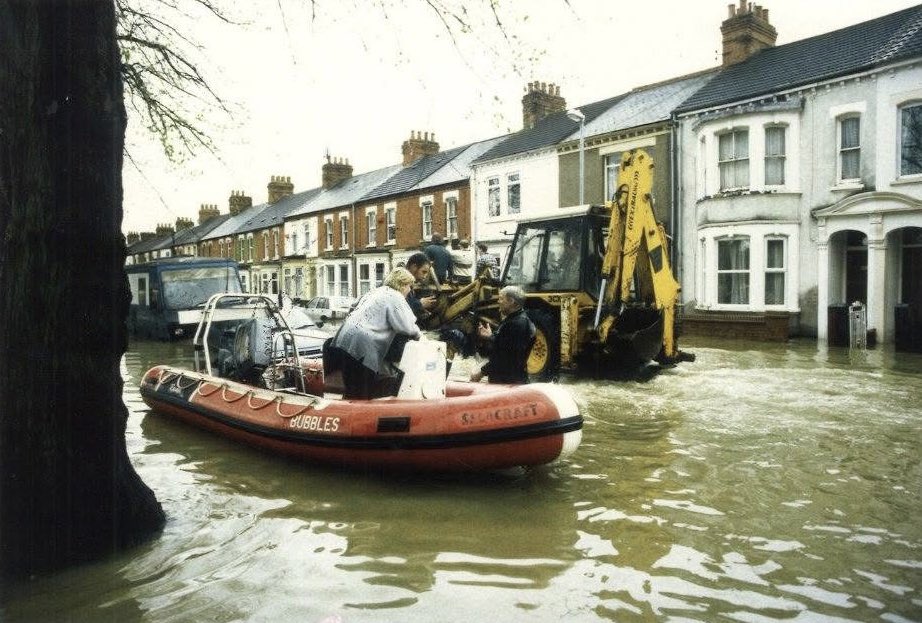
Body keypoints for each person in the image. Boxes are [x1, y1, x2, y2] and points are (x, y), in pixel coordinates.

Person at [326, 268, 422, 399]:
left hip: (343, 338)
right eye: (409, 286)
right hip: (363, 345)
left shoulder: (376, 291)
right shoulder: (396, 296)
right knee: (363, 389)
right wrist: (421, 337)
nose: (410, 290)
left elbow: (353, 306)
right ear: (402, 284)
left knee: (351, 384)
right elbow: (407, 327)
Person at [470, 285, 535, 384]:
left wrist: (481, 373)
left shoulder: (517, 324)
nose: (498, 301)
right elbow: (503, 346)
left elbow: (504, 359)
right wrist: (490, 337)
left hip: (508, 383)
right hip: (509, 380)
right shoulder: (513, 320)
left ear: (511, 301)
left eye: (501, 298)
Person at [405, 252, 438, 321]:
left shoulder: (408, 283)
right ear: (414, 267)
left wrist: (421, 310)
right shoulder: (401, 282)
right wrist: (420, 304)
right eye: (423, 272)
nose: (425, 276)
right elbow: (399, 308)